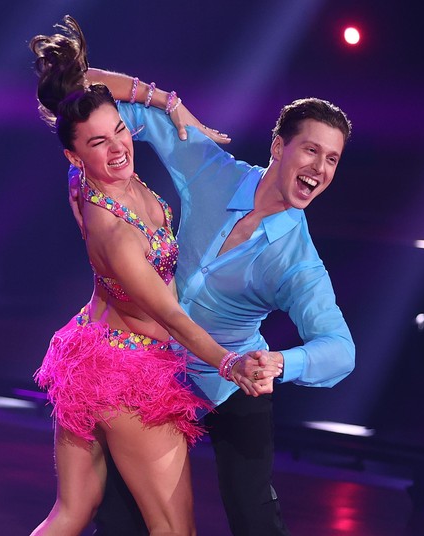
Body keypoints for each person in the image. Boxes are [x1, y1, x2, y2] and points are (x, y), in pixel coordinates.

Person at [26, 17, 282, 536]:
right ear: (74, 155)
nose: (119, 147)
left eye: (120, 128)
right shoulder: (115, 235)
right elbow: (170, 316)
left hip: (88, 349)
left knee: (72, 513)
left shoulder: (87, 173)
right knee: (173, 530)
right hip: (129, 377)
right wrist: (230, 364)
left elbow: (86, 88)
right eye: (99, 142)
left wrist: (172, 104)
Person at [74, 68, 356, 535]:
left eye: (332, 159)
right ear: (278, 147)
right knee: (120, 517)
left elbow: (341, 350)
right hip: (156, 370)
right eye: (311, 150)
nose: (320, 168)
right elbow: (101, 109)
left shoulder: (299, 263)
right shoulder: (212, 171)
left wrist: (281, 363)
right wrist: (166, 101)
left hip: (232, 382)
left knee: (254, 517)